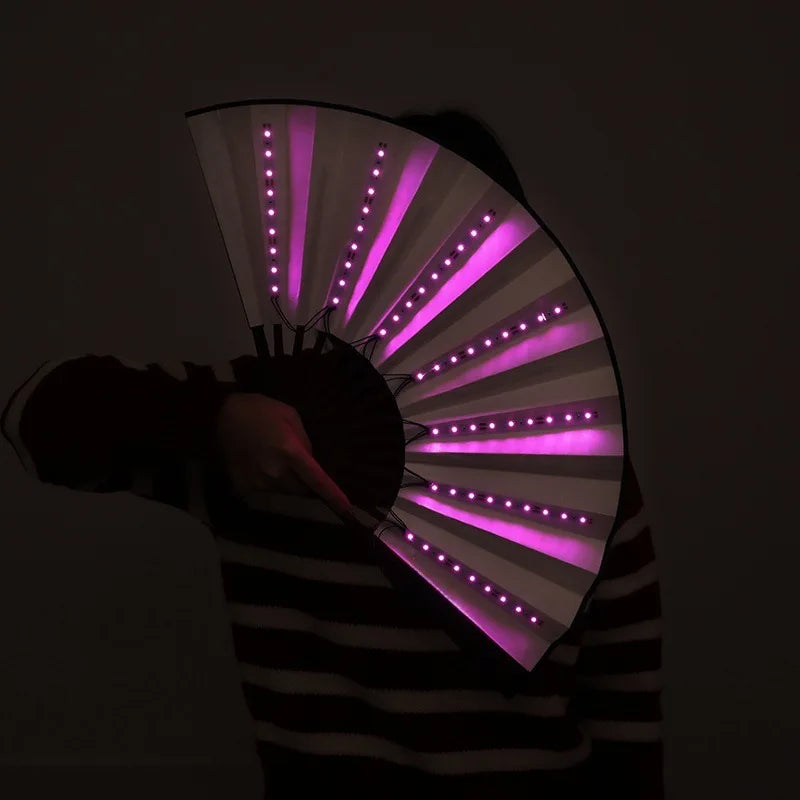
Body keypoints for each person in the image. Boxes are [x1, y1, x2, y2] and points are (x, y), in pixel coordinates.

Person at [0, 109, 663, 798]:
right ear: (360, 244)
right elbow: (35, 416)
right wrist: (214, 421)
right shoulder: (263, 418)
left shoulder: (579, 455)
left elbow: (629, 727)